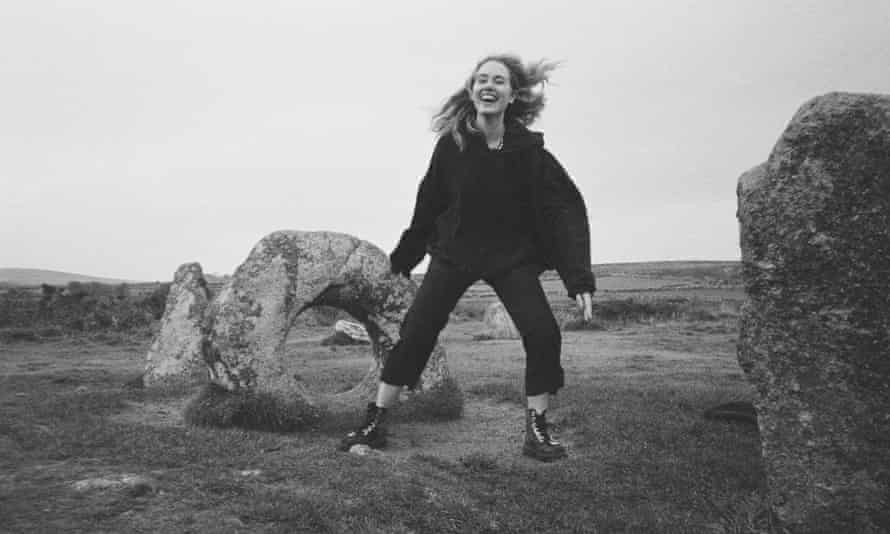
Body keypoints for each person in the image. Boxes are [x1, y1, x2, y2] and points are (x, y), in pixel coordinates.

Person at [339, 53, 596, 462]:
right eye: (481, 79)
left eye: (498, 80)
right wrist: (403, 260)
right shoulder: (452, 146)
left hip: (509, 258)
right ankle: (377, 418)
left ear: (512, 94)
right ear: (472, 90)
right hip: (454, 254)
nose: (488, 85)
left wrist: (578, 278)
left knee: (544, 333)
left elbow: (562, 210)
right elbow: (427, 207)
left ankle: (537, 429)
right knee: (417, 331)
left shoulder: (529, 151)